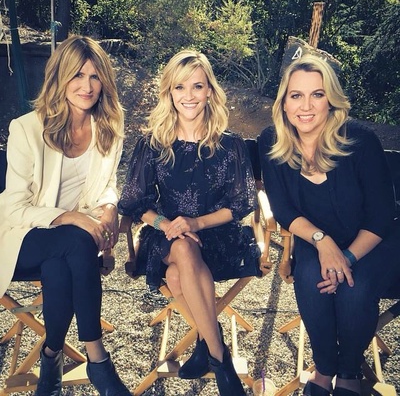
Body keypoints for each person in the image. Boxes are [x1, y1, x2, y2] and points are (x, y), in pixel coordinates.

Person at [118, 49, 260, 395]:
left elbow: (241, 204)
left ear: (210, 90)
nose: (189, 96)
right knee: (181, 248)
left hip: (218, 236)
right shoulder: (153, 144)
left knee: (176, 276)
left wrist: (194, 224)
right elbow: (135, 203)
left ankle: (205, 342)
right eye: (180, 87)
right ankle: (220, 358)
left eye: (197, 86)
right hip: (165, 236)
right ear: (169, 92)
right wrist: (166, 224)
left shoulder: (230, 145)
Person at [258, 55, 400, 396]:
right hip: (314, 236)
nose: (305, 106)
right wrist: (322, 242)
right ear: (284, 102)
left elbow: (381, 216)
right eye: (296, 95)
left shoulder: (360, 141)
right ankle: (323, 369)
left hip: (375, 240)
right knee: (311, 276)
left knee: (354, 285)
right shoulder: (272, 141)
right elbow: (283, 209)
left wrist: (346, 258)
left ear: (330, 101)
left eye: (317, 94)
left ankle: (349, 373)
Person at [0, 35, 131, 396]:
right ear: (59, 77)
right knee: (76, 240)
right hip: (21, 237)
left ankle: (51, 356)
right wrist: (71, 218)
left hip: (72, 248)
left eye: (94, 76)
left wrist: (109, 207)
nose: (86, 86)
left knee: (61, 265)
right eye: (77, 75)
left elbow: (108, 185)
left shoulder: (109, 129)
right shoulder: (27, 129)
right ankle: (98, 359)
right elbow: (13, 208)